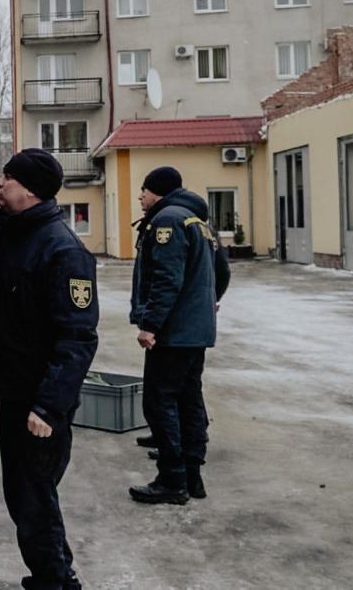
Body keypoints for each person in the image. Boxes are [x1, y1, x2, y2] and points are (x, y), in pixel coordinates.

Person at [0, 150, 98, 590]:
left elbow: (78, 338)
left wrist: (48, 407)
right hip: (14, 392)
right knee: (27, 496)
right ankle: (52, 575)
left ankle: (56, 581)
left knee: (33, 499)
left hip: (39, 404)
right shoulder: (7, 232)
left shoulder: (63, 251)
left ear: (29, 189)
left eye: (6, 178)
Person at [128, 167, 229, 504]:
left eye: (143, 190)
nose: (140, 197)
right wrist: (207, 302)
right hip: (194, 328)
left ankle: (172, 480)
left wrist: (150, 324)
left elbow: (165, 278)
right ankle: (192, 475)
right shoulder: (197, 221)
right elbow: (222, 271)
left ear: (157, 191)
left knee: (159, 401)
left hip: (174, 330)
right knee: (188, 398)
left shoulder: (167, 221)